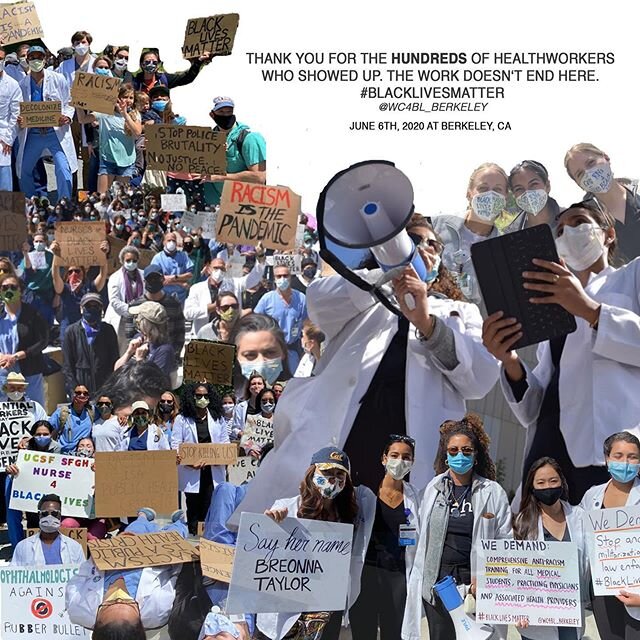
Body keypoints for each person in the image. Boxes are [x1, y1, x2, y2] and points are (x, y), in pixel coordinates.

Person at [236, 213, 498, 526]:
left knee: (391, 534)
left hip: (409, 442)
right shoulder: (366, 294)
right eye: (415, 242)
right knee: (323, 521)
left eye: (434, 245)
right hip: (353, 430)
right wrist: (384, 275)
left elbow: (481, 379)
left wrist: (427, 324)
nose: (427, 249)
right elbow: (319, 302)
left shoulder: (460, 312)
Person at [484, 199, 640, 503]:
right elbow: (534, 406)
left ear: (608, 234)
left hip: (610, 454)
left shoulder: (631, 277)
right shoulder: (552, 310)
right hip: (551, 456)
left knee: (609, 546)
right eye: (559, 230)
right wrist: (509, 359)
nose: (568, 232)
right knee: (549, 548)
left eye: (579, 222)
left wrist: (592, 312)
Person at [402, 415, 512, 640]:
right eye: (453, 451)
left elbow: (505, 543)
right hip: (438, 587)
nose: (459, 455)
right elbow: (420, 536)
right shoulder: (433, 489)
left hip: (475, 589)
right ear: (446, 455)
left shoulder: (493, 492)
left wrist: (486, 578)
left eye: (466, 450)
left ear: (476, 454)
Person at [258, 447, 375, 640]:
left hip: (327, 605)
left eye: (339, 475)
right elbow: (265, 551)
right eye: (327, 472)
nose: (333, 480)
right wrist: (273, 523)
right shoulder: (289, 508)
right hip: (291, 602)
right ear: (312, 473)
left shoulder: (349, 515)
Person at [66, 506, 187, 633]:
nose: (119, 596)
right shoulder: (157, 611)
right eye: (130, 604)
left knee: (134, 530)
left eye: (109, 604)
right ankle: (180, 522)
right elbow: (175, 579)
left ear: (96, 622)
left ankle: (143, 518)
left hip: (120, 552)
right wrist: (174, 557)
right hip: (157, 557)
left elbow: (78, 578)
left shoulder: (78, 608)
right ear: (141, 623)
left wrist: (95, 559)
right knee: (175, 535)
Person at [349, 435, 421, 640]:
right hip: (366, 576)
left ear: (412, 462)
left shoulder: (416, 497)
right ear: (384, 459)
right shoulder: (363, 494)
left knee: (394, 634)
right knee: (363, 634)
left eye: (406, 457)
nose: (400, 461)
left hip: (397, 579)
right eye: (394, 455)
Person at [513, 457, 590, 640]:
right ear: (532, 487)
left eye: (553, 480)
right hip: (536, 617)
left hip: (570, 611)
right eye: (541, 482)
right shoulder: (522, 523)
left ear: (562, 483)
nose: (548, 486)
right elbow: (513, 570)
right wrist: (515, 607)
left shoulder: (579, 517)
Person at [581, 432, 640, 639]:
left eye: (633, 457)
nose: (626, 462)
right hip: (603, 593)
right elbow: (580, 539)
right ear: (607, 459)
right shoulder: (592, 496)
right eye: (618, 456)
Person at [433, 163, 507, 303]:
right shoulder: (438, 225)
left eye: (497, 190)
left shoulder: (503, 250)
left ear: (505, 198)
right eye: (483, 188)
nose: (490, 195)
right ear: (469, 194)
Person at [17, 45, 76, 201]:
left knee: (64, 170)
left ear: (45, 59)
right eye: (32, 57)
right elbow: (18, 109)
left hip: (55, 133)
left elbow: (69, 102)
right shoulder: (22, 84)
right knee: (24, 170)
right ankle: (31, 201)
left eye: (39, 57)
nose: (36, 60)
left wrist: (67, 117)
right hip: (34, 134)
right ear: (27, 60)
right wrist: (20, 120)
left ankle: (64, 203)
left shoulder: (58, 79)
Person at [564, 142, 640, 262]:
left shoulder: (638, 192)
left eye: (591, 163)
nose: (589, 173)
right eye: (580, 174)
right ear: (579, 184)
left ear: (606, 158)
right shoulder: (587, 223)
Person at [172, 382, 227, 535]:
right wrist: (190, 463)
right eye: (198, 396)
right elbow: (176, 445)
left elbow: (225, 443)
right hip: (191, 471)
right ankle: (193, 538)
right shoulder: (182, 419)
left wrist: (216, 459)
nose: (202, 398)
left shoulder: (218, 418)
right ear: (192, 397)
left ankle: (207, 541)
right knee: (193, 507)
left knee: (210, 505)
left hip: (212, 470)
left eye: (205, 396)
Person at [5, 420, 62, 549]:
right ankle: (18, 547)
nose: (42, 437)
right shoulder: (25, 446)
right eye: (38, 434)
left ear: (51, 434)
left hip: (47, 487)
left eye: (45, 434)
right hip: (26, 487)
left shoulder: (57, 447)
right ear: (33, 435)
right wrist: (13, 468)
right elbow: (18, 465)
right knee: (16, 515)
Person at [202, 96, 267, 206]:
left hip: (243, 207)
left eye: (229, 112)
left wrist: (220, 177)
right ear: (212, 115)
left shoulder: (249, 138)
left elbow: (260, 177)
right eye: (221, 112)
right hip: (214, 206)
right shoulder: (207, 139)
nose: (225, 115)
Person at [82, 83, 142, 194]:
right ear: (117, 98)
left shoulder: (135, 114)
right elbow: (83, 119)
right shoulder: (105, 112)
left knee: (120, 199)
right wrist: (78, 105)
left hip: (126, 163)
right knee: (102, 197)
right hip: (107, 161)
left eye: (131, 98)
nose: (128, 100)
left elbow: (138, 132)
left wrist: (125, 114)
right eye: (124, 97)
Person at [185, 254, 265, 336]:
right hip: (202, 335)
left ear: (225, 270)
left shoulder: (234, 284)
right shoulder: (196, 288)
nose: (219, 271)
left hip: (228, 335)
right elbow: (188, 313)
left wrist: (260, 257)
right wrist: (211, 308)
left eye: (222, 268)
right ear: (209, 269)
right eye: (216, 268)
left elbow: (254, 278)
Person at [0, 273, 49, 406]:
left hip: (29, 371)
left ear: (20, 290)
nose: (9, 291)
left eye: (13, 287)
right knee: (5, 412)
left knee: (33, 409)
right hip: (3, 371)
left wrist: (17, 356)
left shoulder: (32, 314)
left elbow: (42, 340)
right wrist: (3, 357)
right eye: (4, 288)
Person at [51, 240, 109, 342]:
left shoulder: (90, 287)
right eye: (70, 272)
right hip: (68, 331)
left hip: (88, 331)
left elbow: (103, 274)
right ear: (67, 276)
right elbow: (55, 276)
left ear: (83, 273)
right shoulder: (65, 289)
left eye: (77, 271)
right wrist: (56, 255)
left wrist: (103, 254)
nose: (74, 274)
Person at [62, 293, 119, 396]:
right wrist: (75, 390)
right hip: (81, 389)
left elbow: (114, 360)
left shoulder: (108, 330)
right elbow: (68, 366)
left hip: (104, 390)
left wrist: (110, 388)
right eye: (88, 306)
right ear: (81, 308)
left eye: (96, 306)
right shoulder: (71, 331)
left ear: (101, 309)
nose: (92, 309)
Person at [254, 263, 308, 370]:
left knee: (294, 383)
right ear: (274, 279)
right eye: (279, 276)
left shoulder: (301, 298)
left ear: (290, 277)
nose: (282, 279)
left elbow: (306, 323)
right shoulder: (267, 299)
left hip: (293, 351)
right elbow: (255, 322)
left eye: (285, 275)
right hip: (272, 351)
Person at [11, 493, 85, 565]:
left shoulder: (75, 547)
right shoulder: (22, 547)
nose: (50, 517)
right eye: (45, 514)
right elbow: (13, 574)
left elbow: (83, 575)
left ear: (60, 516)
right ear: (39, 515)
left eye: (54, 514)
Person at [116, 301, 176, 379]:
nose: (136, 320)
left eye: (138, 317)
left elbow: (152, 384)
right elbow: (117, 371)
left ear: (146, 323)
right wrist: (129, 352)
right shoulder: (138, 338)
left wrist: (140, 360)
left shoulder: (164, 350)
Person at [104, 244, 145, 353]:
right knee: (121, 350)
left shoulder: (143, 275)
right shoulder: (115, 277)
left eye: (134, 260)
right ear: (122, 261)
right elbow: (114, 300)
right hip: (121, 319)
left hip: (140, 319)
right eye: (128, 260)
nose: (131, 263)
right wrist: (131, 310)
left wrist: (140, 311)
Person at [503, 160, 561, 234]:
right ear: (514, 195)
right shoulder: (510, 235)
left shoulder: (570, 220)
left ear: (547, 186)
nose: (527, 193)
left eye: (533, 184)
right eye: (519, 189)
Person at [132, 47, 212, 94]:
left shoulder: (164, 79)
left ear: (158, 65)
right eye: (147, 62)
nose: (151, 64)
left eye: (154, 62)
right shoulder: (134, 82)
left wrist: (199, 61)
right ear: (142, 64)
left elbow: (188, 78)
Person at [19, 231, 55, 326]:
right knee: (30, 322)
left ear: (46, 242)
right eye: (36, 241)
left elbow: (57, 274)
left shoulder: (52, 257)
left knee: (46, 323)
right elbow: (23, 276)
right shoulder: (29, 257)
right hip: (31, 295)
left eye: (41, 241)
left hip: (46, 295)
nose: (39, 244)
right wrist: (29, 267)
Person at [49, 384, 95, 454]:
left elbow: (107, 413)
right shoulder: (62, 412)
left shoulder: (92, 411)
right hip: (64, 456)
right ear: (72, 395)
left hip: (84, 456)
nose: (82, 395)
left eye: (85, 393)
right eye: (78, 393)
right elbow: (48, 429)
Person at [0, 45, 21, 191]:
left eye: (0, 58)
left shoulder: (12, 84)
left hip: (3, 137)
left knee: (5, 177)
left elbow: (16, 114)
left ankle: (7, 212)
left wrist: (8, 138)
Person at [239, 387, 276, 458]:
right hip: (256, 458)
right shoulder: (252, 420)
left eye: (271, 400)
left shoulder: (281, 420)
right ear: (260, 402)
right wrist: (250, 450)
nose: (268, 403)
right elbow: (246, 440)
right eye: (264, 401)